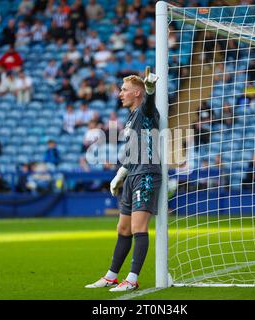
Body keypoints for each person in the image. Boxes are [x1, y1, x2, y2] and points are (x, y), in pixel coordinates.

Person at [85, 66, 160, 292]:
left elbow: (148, 104)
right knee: (123, 229)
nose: (120, 93)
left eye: (124, 89)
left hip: (146, 175)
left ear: (137, 93)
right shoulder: (130, 119)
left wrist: (149, 88)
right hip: (132, 175)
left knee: (138, 227)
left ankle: (133, 278)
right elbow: (131, 151)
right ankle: (111, 276)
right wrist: (120, 174)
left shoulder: (146, 111)